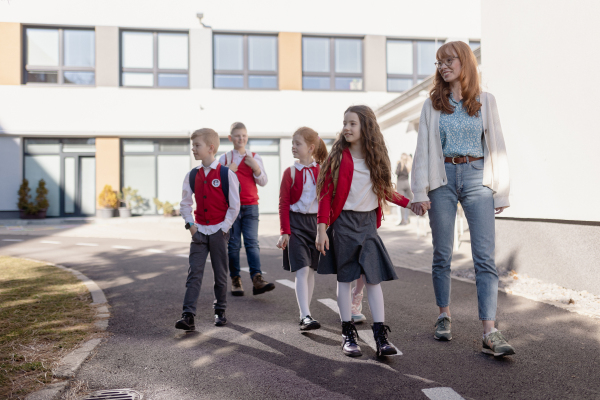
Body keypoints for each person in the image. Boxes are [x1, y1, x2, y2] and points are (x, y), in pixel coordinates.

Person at [410, 41, 514, 357]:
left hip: (477, 178)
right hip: (442, 179)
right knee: (442, 252)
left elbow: (497, 144)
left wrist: (503, 188)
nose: (442, 66)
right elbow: (423, 150)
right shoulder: (432, 105)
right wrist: (418, 190)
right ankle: (444, 315)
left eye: (448, 60)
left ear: (464, 62)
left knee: (484, 256)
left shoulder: (486, 101)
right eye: (438, 62)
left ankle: (490, 331)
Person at [316, 105, 412, 358]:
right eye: (344, 123)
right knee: (346, 280)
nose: (346, 128)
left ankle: (381, 336)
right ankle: (348, 334)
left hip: (368, 224)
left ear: (365, 127)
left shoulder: (375, 157)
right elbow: (325, 196)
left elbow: (385, 189)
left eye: (352, 124)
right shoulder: (336, 158)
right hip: (344, 225)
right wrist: (321, 229)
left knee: (373, 280)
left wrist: (409, 203)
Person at [176, 128, 240, 331]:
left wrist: (224, 227)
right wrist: (191, 226)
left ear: (210, 148)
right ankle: (188, 315)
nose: (193, 149)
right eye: (192, 145)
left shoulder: (226, 174)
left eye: (197, 145)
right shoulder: (192, 175)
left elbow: (234, 205)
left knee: (220, 274)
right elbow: (185, 204)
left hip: (219, 231)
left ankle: (220, 311)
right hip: (199, 232)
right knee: (194, 273)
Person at [277, 127, 328, 331]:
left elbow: (325, 201)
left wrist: (324, 229)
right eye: (293, 143)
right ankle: (305, 315)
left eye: (298, 144)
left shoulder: (322, 171)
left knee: (312, 271)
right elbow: (283, 203)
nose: (293, 147)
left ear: (311, 147)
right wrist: (284, 231)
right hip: (295, 224)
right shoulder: (289, 172)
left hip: (315, 225)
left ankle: (306, 312)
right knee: (302, 268)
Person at [219, 122, 275, 296]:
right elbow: (217, 184)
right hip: (232, 208)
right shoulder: (225, 159)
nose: (240, 138)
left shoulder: (254, 157)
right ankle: (236, 279)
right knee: (234, 245)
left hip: (251, 206)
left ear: (247, 137)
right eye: (237, 135)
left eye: (243, 135)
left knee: (252, 243)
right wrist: (228, 171)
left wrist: (255, 167)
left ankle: (257, 279)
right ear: (230, 138)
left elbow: (263, 181)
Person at [395, 154, 413, 225]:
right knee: (412, 199)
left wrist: (397, 165)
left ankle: (403, 220)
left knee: (402, 202)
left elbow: (396, 173)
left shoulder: (400, 164)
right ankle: (422, 210)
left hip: (400, 184)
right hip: (406, 183)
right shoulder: (408, 165)